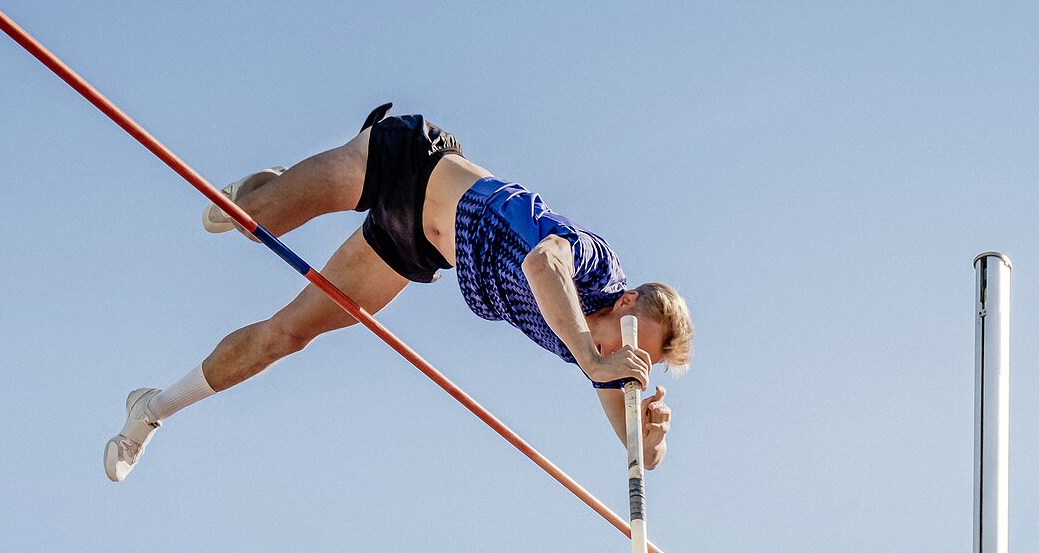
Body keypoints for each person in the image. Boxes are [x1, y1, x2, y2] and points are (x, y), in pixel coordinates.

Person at [105, 104, 692, 481]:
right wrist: (596, 360)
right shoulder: (592, 267)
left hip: (414, 247)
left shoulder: (595, 349)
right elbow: (543, 264)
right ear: (624, 301)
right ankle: (272, 186)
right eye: (634, 339)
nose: (629, 355)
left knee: (287, 336)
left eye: (645, 357)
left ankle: (152, 408)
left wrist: (648, 438)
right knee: (253, 219)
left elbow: (628, 432)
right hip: (410, 164)